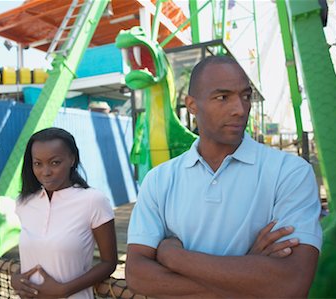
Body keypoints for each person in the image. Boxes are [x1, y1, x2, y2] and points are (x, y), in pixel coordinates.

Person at [126, 56, 322, 298]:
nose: (240, 109)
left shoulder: (289, 172)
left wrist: (175, 257)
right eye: (223, 97)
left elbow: (291, 283)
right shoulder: (159, 180)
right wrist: (249, 275)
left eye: (246, 96)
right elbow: (137, 275)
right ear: (192, 105)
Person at [11, 127, 117, 298]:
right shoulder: (24, 202)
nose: (45, 172)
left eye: (55, 162)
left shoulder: (93, 200)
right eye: (38, 163)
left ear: (72, 159)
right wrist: (15, 278)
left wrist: (63, 290)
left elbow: (109, 263)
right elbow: (36, 253)